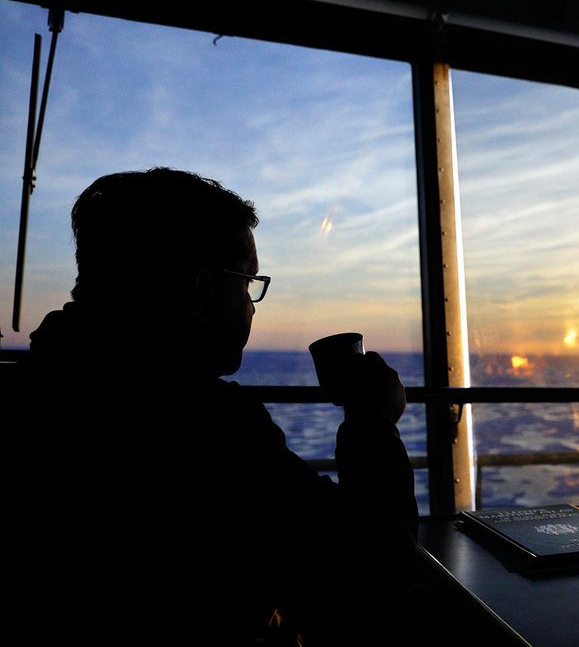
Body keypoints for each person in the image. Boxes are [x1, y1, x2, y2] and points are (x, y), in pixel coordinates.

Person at [11, 168, 417, 645]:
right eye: (247, 284)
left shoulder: (30, 392)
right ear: (203, 290)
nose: (250, 306)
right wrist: (372, 423)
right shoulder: (212, 429)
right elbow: (374, 572)